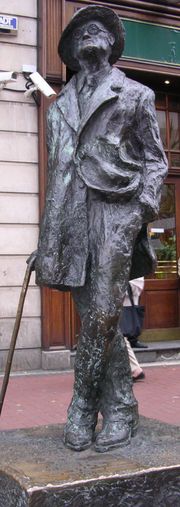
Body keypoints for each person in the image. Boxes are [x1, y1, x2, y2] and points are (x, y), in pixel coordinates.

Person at [32, 5, 167, 452]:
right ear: (71, 49)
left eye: (99, 29)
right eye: (81, 31)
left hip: (116, 211)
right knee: (98, 320)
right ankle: (123, 407)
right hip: (71, 221)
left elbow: (155, 160)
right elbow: (57, 175)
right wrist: (46, 239)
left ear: (112, 43)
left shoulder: (135, 95)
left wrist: (140, 209)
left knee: (105, 314)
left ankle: (83, 407)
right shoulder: (59, 107)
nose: (90, 34)